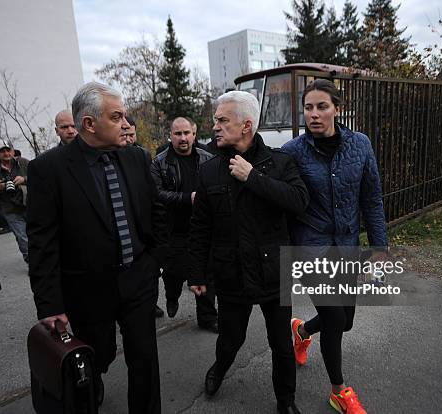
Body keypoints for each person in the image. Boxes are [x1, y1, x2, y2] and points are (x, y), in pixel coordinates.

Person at [27, 82, 167, 412]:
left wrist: (155, 260)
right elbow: (42, 242)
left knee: (144, 359)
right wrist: (49, 304)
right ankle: (91, 389)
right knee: (94, 360)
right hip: (87, 289)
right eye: (116, 116)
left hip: (138, 279)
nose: (125, 123)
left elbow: (156, 210)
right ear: (89, 124)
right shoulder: (48, 170)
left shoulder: (136, 157)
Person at [188, 91, 309, 414]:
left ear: (246, 125)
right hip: (232, 273)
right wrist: (198, 273)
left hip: (274, 271)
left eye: (222, 120)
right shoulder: (209, 170)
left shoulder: (280, 162)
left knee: (282, 345)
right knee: (231, 339)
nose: (214, 126)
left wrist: (253, 177)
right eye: (216, 119)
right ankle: (218, 369)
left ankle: (286, 401)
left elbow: (299, 201)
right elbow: (200, 227)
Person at [281, 79, 387, 414]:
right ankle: (339, 391)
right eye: (308, 107)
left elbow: (371, 201)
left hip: (347, 246)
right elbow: (282, 199)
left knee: (344, 321)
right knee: (334, 317)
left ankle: (301, 331)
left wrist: (379, 249)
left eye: (322, 106)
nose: (314, 114)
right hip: (311, 248)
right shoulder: (292, 152)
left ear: (337, 109)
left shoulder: (360, 145)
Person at [151, 116, 217, 331]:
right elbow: (156, 194)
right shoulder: (159, 162)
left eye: (186, 133)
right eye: (177, 133)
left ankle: (207, 317)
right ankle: (172, 295)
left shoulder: (208, 158)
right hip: (174, 229)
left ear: (194, 134)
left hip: (202, 228)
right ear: (170, 136)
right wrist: (186, 198)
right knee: (174, 272)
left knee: (205, 273)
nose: (182, 138)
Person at [124, 115, 166, 319]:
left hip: (143, 243)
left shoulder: (141, 156)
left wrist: (156, 251)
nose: (128, 138)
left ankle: (151, 303)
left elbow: (154, 200)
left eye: (131, 134)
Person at [0, 140, 29, 263]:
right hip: (9, 208)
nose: (6, 153)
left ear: (13, 151)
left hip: (29, 204)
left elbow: (40, 177)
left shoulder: (23, 162)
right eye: (2, 151)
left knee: (36, 234)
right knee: (22, 236)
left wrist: (24, 179)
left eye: (8, 150)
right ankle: (31, 261)